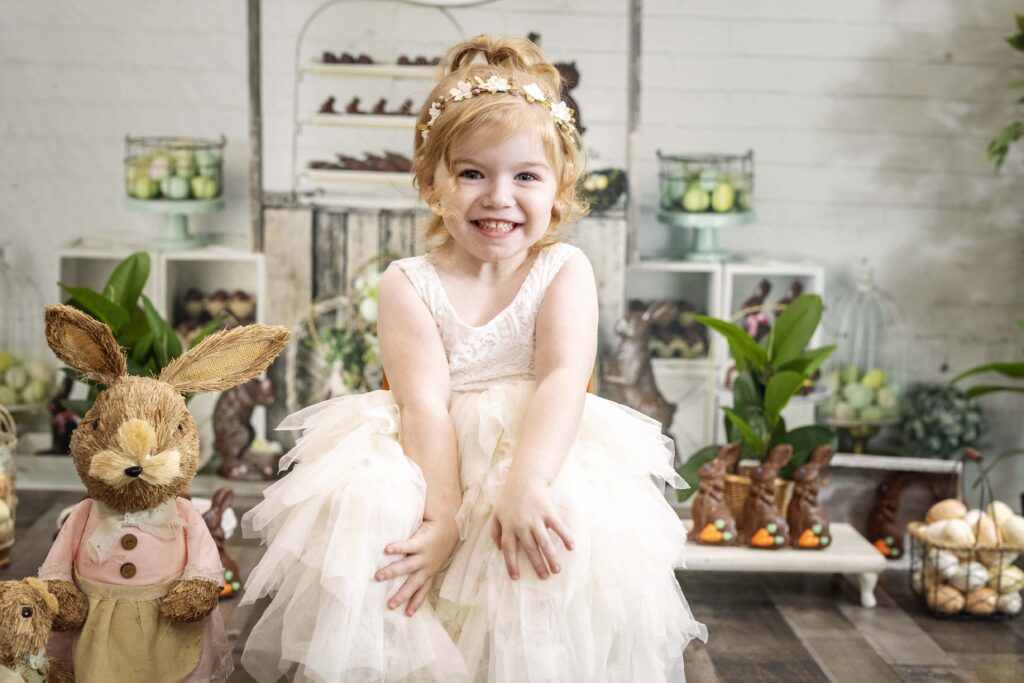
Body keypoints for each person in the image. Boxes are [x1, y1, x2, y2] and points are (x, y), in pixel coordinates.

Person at [240, 34, 707, 682]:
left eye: (525, 175)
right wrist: (443, 516)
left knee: (550, 532)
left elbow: (563, 378)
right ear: (433, 183)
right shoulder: (408, 281)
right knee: (373, 508)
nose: (498, 196)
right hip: (430, 455)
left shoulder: (563, 269)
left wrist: (527, 479)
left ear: (560, 185)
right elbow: (423, 402)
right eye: (472, 173)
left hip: (538, 443)